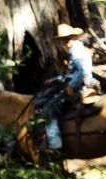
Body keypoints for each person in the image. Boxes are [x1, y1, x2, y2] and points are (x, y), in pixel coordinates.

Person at [40, 23, 99, 152]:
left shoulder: (76, 51)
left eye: (68, 38)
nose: (65, 42)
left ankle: (54, 145)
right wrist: (55, 80)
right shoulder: (77, 49)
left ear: (74, 37)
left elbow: (81, 72)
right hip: (79, 84)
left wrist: (71, 86)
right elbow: (71, 74)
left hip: (79, 88)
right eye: (64, 40)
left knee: (49, 109)